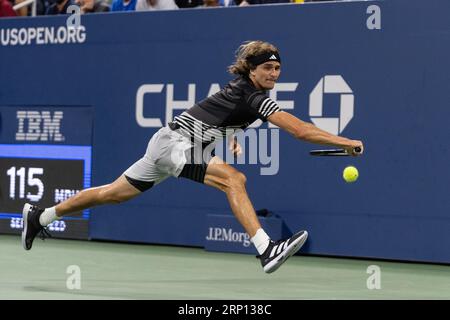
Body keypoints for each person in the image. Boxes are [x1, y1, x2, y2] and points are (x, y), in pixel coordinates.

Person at [22, 40, 364, 274]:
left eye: (278, 68)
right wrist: (345, 141)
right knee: (235, 179)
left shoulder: (248, 95)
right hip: (175, 145)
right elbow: (300, 130)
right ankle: (266, 249)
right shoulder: (252, 96)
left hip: (168, 144)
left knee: (111, 194)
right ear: (253, 70)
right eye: (269, 68)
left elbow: (220, 118)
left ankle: (41, 216)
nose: (275, 73)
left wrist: (230, 139)